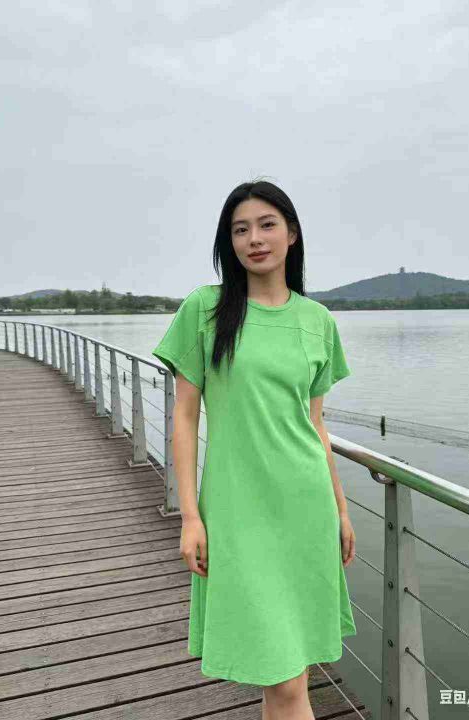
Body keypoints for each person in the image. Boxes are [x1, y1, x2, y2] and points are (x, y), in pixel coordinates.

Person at [152, 179, 357, 720]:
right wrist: (190, 517)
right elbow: (184, 418)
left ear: (292, 233)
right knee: (282, 678)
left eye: (267, 225)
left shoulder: (317, 321)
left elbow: (315, 426)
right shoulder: (206, 308)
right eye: (240, 230)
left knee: (289, 677)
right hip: (239, 514)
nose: (255, 239)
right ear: (229, 242)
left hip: (306, 509)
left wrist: (340, 509)